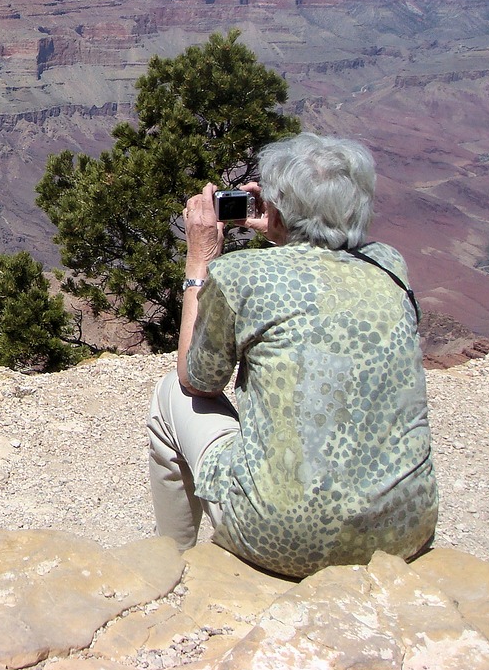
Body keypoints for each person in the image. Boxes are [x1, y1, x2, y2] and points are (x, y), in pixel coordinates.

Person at [147, 132, 437, 579]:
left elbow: (196, 380)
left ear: (277, 207)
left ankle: (175, 562)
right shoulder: (389, 265)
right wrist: (288, 229)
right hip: (401, 535)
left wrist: (198, 261)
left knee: (171, 393)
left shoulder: (243, 275)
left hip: (281, 538)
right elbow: (320, 272)